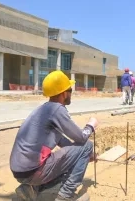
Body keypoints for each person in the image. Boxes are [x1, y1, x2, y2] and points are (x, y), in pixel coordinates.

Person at [9, 70, 99, 201]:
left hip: (20, 171)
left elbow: (63, 141)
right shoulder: (56, 109)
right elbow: (81, 137)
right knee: (87, 144)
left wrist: (84, 155)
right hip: (33, 170)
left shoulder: (44, 110)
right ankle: (65, 196)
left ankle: (30, 189)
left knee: (81, 150)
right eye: (70, 91)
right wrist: (91, 125)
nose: (70, 94)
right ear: (63, 93)